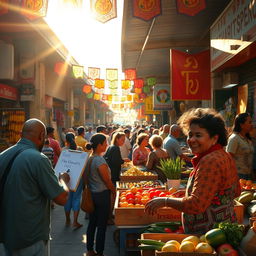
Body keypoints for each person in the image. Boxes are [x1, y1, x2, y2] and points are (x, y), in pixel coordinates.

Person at [145, 108, 241, 234]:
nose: (191, 140)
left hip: (209, 235)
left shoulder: (209, 161)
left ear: (214, 138)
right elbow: (236, 191)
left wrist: (165, 201)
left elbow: (196, 204)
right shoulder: (224, 155)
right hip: (225, 228)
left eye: (198, 135)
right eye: (190, 134)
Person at [0, 118, 70, 256]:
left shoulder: (2, 156)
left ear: (21, 134)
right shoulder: (39, 159)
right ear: (41, 136)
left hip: (5, 235)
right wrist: (63, 181)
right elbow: (62, 199)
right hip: (31, 237)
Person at [84, 133, 116, 256]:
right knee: (101, 225)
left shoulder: (90, 157)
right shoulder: (99, 160)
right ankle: (100, 251)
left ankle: (90, 249)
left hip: (93, 194)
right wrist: (114, 191)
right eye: (105, 143)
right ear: (99, 145)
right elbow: (107, 180)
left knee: (92, 223)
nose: (107, 144)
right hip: (101, 196)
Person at [62, 132, 84, 229]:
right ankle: (75, 221)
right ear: (74, 139)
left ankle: (67, 219)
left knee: (67, 198)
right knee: (76, 198)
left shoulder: (63, 151)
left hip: (66, 178)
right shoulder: (80, 150)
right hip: (78, 178)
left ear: (66, 141)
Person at [226, 113, 254, 180]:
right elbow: (228, 158)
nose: (252, 124)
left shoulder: (248, 139)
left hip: (249, 175)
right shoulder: (234, 138)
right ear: (241, 125)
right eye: (249, 122)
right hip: (237, 175)